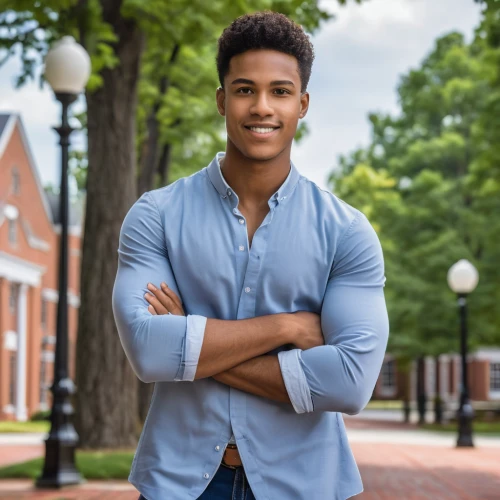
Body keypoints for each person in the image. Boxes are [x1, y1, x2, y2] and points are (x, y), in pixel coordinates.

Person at [112, 11, 389, 500]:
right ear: (222, 100)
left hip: (304, 482)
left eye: (280, 91)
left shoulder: (346, 231)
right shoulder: (155, 215)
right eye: (244, 90)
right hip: (179, 483)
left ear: (302, 104)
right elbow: (149, 350)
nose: (262, 107)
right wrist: (286, 328)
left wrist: (193, 340)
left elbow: (349, 384)